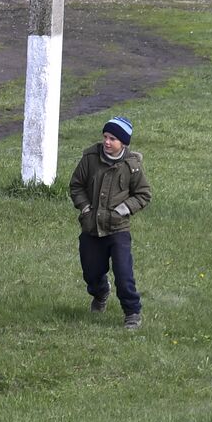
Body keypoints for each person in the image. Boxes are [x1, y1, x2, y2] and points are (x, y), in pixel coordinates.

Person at [69, 116, 152, 330]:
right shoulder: (90, 158)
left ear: (123, 143)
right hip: (91, 228)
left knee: (124, 274)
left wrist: (123, 210)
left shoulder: (132, 166)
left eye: (113, 138)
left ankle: (132, 312)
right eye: (105, 136)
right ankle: (100, 293)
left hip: (118, 229)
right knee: (91, 272)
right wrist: (86, 208)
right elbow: (76, 185)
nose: (107, 142)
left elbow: (143, 194)